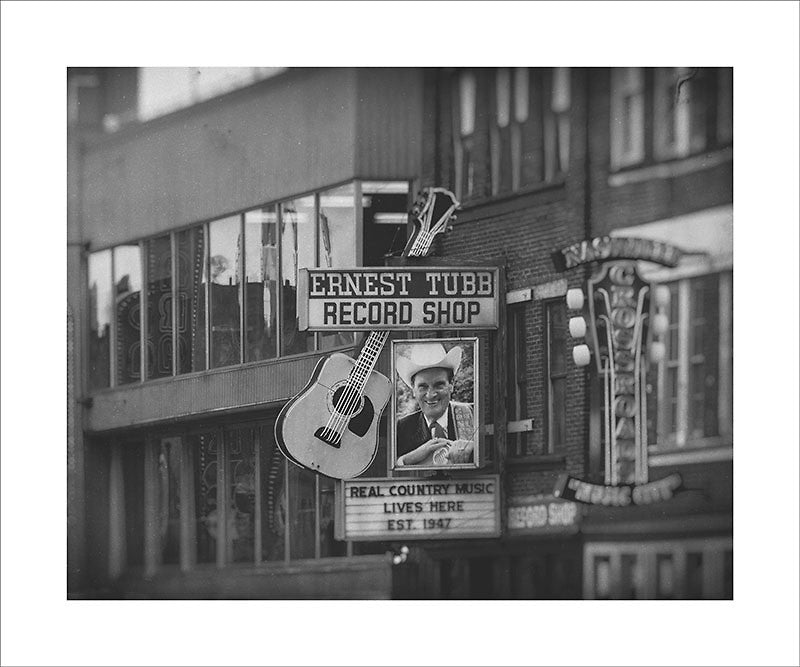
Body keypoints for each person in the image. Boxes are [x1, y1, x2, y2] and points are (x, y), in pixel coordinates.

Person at [395, 342, 475, 466]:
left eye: (439, 385)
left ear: (451, 386)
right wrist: (409, 459)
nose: (431, 394)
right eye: (423, 387)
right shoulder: (401, 428)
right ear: (413, 390)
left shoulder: (473, 414)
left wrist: (474, 450)